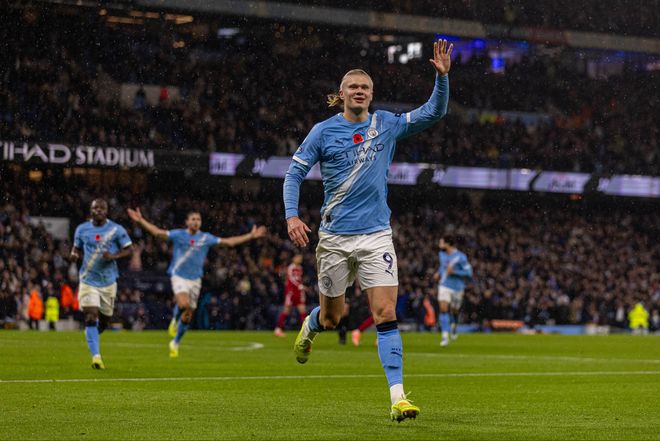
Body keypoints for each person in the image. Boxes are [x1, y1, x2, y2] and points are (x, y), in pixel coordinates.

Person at [283, 39, 453, 422]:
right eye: (353, 87)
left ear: (371, 95)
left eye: (365, 87)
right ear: (342, 94)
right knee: (333, 318)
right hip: (335, 238)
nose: (359, 91)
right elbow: (293, 174)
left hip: (376, 235)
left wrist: (441, 78)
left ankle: (398, 397)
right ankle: (311, 326)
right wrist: (292, 216)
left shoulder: (386, 124)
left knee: (385, 312)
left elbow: (433, 112)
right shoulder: (322, 132)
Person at [126, 207, 267, 357]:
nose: (196, 222)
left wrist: (250, 236)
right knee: (183, 304)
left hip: (195, 280)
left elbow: (229, 242)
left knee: (188, 315)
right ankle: (175, 319)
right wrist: (141, 220)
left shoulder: (206, 238)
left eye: (198, 219)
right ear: (187, 222)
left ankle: (175, 342)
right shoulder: (179, 235)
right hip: (179, 275)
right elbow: (157, 232)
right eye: (193, 219)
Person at [71, 199, 134, 369]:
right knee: (91, 316)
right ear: (91, 210)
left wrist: (114, 256)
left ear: (107, 211)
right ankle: (96, 357)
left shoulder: (116, 229)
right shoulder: (82, 229)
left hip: (108, 281)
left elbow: (130, 249)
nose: (98, 210)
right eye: (95, 208)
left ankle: (92, 333)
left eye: (102, 208)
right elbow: (76, 247)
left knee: (105, 320)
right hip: (88, 279)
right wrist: (74, 254)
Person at [434, 234, 473, 347]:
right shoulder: (441, 254)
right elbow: (443, 266)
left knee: (455, 310)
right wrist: (438, 273)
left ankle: (454, 324)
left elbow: (469, 273)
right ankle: (445, 336)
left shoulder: (461, 257)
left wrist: (455, 272)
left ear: (447, 244)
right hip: (444, 285)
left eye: (441, 242)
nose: (439, 245)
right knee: (443, 309)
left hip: (457, 288)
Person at [274, 253, 307, 337]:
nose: (300, 259)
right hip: (291, 292)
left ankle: (306, 330)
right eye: (298, 257)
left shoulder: (300, 268)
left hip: (298, 292)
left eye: (300, 257)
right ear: (293, 258)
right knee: (286, 310)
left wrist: (301, 290)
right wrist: (300, 286)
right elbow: (291, 279)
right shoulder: (291, 267)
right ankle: (278, 329)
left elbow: (299, 279)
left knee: (302, 310)